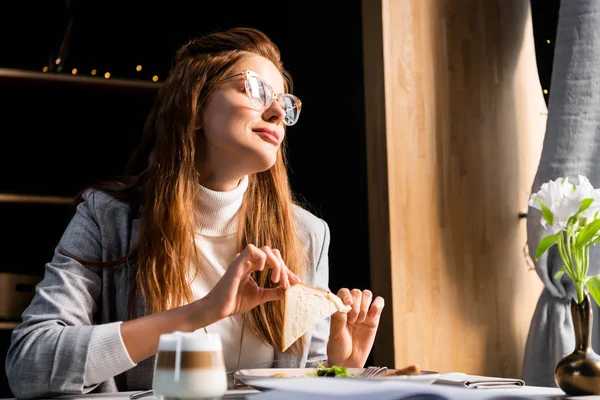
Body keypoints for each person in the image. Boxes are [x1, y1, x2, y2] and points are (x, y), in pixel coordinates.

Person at [5, 27, 385, 399]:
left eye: (285, 104)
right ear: (196, 105)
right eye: (254, 88)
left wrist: (342, 372)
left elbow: (304, 376)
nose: (275, 112)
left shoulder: (306, 233)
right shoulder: (108, 218)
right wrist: (199, 313)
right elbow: (29, 364)